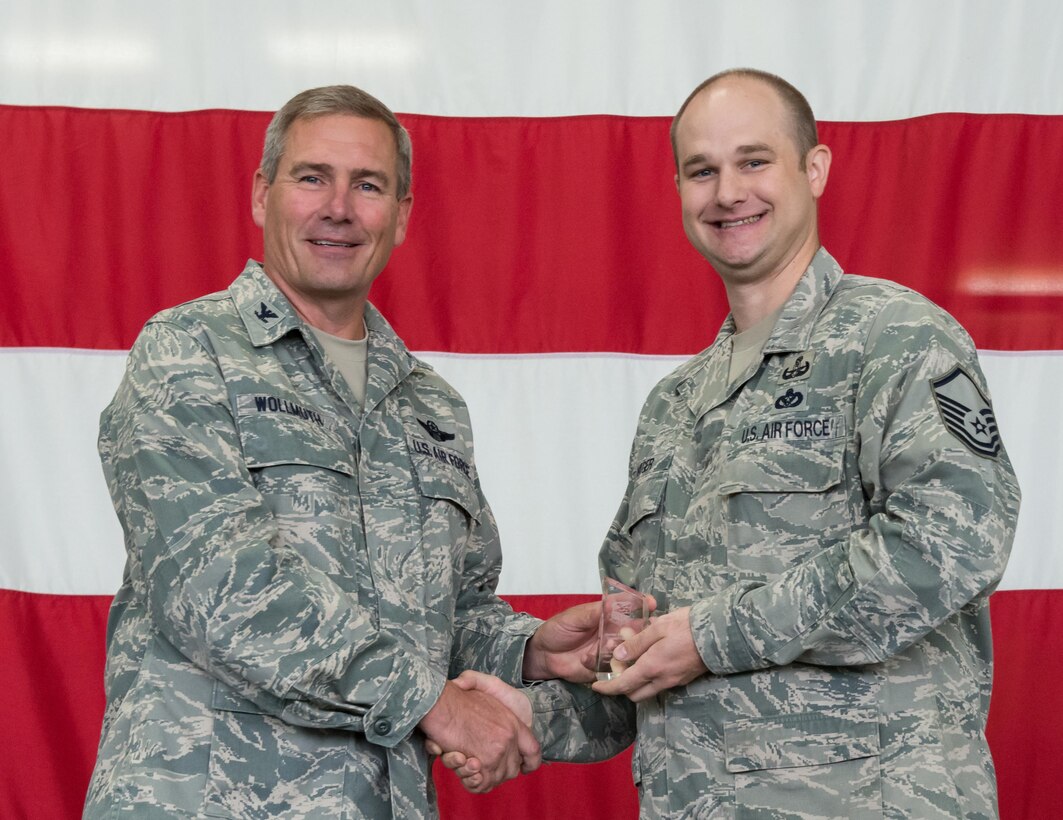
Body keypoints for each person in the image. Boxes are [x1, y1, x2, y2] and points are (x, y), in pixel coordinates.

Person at [443, 68, 1021, 818]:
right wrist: (532, 716)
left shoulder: (897, 338)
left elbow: (950, 545)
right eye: (701, 171)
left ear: (814, 169)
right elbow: (648, 653)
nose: (727, 193)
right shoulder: (675, 405)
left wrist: (715, 633)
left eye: (753, 161)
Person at [83, 84, 621, 820]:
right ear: (262, 195)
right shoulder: (188, 352)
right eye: (312, 178)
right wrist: (436, 705)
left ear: (399, 216)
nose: (338, 208)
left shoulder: (429, 405)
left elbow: (442, 612)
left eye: (367, 186)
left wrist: (529, 651)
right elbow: (219, 587)